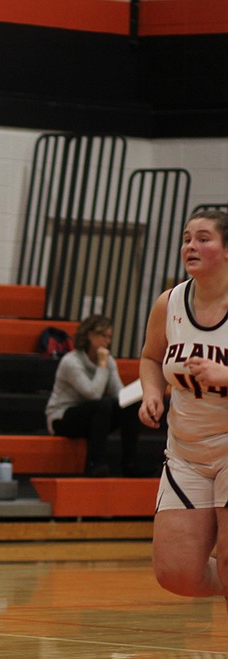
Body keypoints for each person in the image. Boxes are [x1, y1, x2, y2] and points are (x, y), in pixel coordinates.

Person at [139, 209, 228, 612]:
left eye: (204, 238)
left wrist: (223, 374)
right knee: (176, 573)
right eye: (187, 238)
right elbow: (151, 358)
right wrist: (151, 393)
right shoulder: (169, 301)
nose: (191, 246)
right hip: (186, 453)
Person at [45, 315, 142, 477]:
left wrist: (139, 391)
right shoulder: (71, 361)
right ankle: (97, 463)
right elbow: (93, 393)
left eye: (109, 337)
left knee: (130, 405)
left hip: (94, 417)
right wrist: (102, 364)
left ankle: (129, 465)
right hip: (63, 418)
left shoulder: (108, 361)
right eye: (103, 336)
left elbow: (119, 394)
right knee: (102, 404)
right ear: (89, 335)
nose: (107, 341)